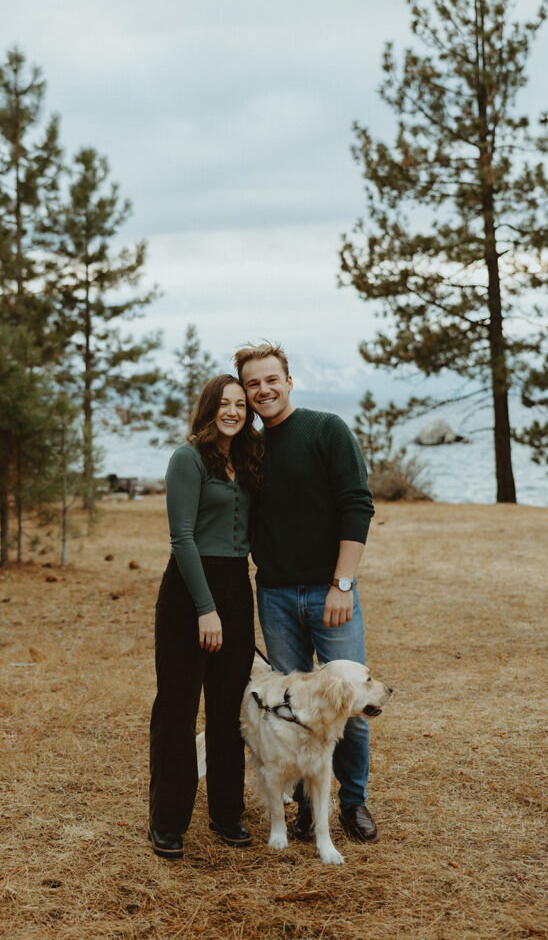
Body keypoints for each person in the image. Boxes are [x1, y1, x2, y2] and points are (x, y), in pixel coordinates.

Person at [233, 342, 378, 844]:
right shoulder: (247, 447)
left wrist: (342, 584)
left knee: (350, 706)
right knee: (289, 708)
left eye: (271, 379)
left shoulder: (326, 430)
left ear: (289, 381)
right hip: (273, 594)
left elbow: (358, 505)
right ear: (246, 392)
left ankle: (353, 802)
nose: (263, 390)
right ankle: (300, 807)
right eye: (253, 384)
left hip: (328, 591)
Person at [148, 374, 262, 859]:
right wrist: (205, 609)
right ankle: (167, 821)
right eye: (225, 403)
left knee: (226, 708)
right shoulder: (187, 458)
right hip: (190, 594)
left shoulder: (249, 459)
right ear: (209, 407)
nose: (233, 411)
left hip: (238, 587)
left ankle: (226, 814)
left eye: (241, 404)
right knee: (177, 708)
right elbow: (182, 538)